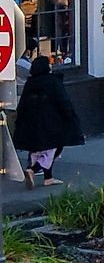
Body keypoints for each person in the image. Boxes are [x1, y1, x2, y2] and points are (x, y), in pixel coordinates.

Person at [14, 46, 81, 184]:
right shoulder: (53, 81)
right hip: (51, 122)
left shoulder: (30, 83)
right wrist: (71, 117)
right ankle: (33, 169)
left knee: (37, 149)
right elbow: (63, 101)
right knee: (54, 147)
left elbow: (22, 105)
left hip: (31, 123)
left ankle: (47, 177)